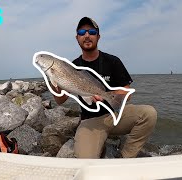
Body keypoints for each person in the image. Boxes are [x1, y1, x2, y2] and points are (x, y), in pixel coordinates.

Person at [52, 17, 157, 158]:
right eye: (82, 32)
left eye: (92, 32)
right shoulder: (71, 67)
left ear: (98, 36)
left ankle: (125, 157)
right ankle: (99, 146)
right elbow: (60, 100)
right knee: (86, 161)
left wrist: (106, 95)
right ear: (77, 38)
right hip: (89, 121)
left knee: (149, 114)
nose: (87, 35)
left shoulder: (113, 61)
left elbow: (127, 93)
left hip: (114, 116)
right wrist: (53, 79)